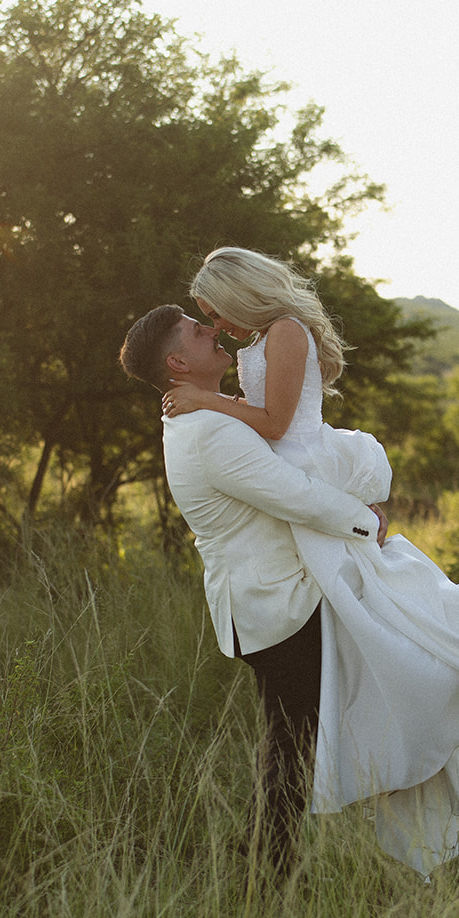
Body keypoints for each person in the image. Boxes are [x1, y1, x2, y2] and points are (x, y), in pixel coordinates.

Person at [161, 247, 459, 876]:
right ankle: (336, 808)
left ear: (239, 294)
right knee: (350, 673)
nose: (218, 327)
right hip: (296, 507)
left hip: (305, 487)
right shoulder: (264, 336)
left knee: (383, 648)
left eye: (215, 313)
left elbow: (277, 421)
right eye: (204, 322)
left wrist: (208, 402)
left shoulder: (285, 332)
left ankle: (424, 739)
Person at [118, 303, 387, 879]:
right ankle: (270, 872)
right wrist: (372, 524)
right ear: (176, 363)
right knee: (291, 741)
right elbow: (296, 495)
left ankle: (271, 857)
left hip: (265, 602)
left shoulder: (204, 418)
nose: (212, 330)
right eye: (197, 330)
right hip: (275, 607)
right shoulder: (210, 432)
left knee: (293, 736)